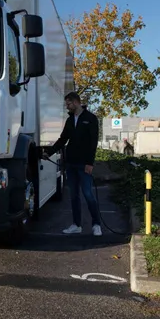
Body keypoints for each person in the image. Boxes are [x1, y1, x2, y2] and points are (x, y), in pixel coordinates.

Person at [43, 92, 102, 236]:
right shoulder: (70, 121)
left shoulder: (91, 119)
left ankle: (96, 225)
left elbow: (93, 143)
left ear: (76, 102)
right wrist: (49, 152)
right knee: (74, 196)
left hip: (84, 165)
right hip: (71, 164)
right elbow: (63, 139)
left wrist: (89, 163)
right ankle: (77, 225)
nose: (67, 107)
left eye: (68, 104)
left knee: (88, 194)